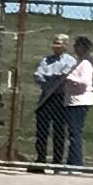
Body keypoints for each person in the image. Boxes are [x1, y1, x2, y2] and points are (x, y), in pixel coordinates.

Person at [30, 35, 74, 170]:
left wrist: (51, 78)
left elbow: (64, 77)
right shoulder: (46, 60)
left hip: (60, 98)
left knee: (59, 130)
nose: (55, 47)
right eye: (54, 44)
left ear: (65, 46)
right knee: (42, 129)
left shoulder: (70, 61)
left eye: (59, 44)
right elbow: (38, 75)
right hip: (45, 97)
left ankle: (57, 161)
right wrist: (52, 79)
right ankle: (41, 158)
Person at [63, 35, 93, 168]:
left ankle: (76, 163)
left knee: (75, 133)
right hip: (71, 100)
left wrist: (70, 78)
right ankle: (71, 162)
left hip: (80, 101)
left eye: (77, 46)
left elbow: (85, 83)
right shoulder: (77, 62)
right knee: (72, 133)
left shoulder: (86, 63)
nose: (75, 48)